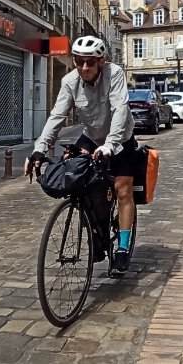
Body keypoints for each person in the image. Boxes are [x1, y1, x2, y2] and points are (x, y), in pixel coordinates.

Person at [25, 35, 138, 274]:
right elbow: (57, 117)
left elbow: (119, 110)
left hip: (120, 138)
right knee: (78, 181)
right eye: (79, 61)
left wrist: (110, 145)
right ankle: (97, 233)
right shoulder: (69, 81)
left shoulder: (114, 74)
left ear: (101, 61)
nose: (84, 67)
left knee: (123, 189)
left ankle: (123, 248)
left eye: (90, 62)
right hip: (91, 136)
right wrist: (39, 149)